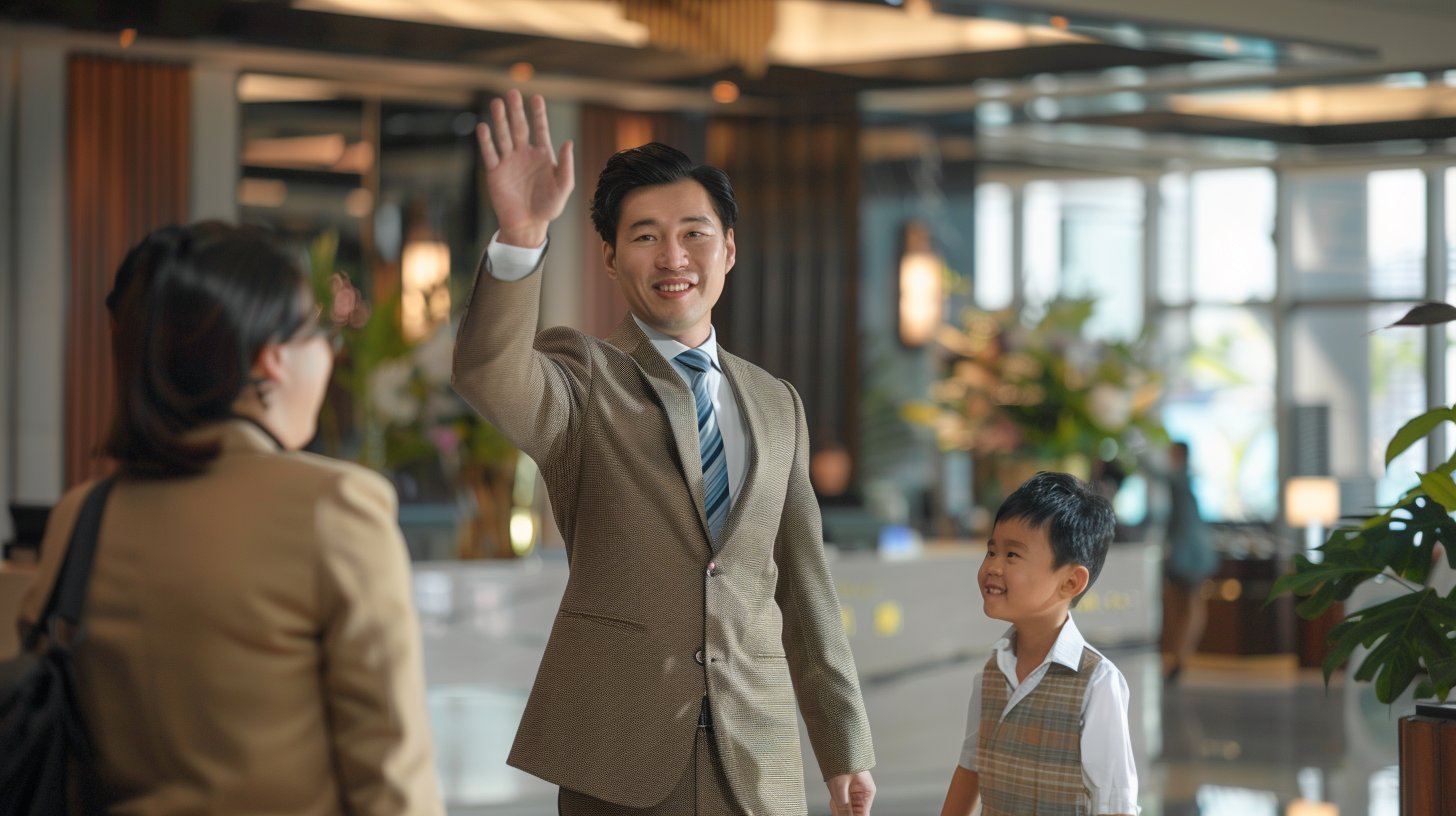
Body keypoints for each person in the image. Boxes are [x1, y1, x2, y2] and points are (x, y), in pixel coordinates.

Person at [453, 90, 876, 816]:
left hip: (758, 760)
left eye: (694, 233)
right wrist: (521, 238)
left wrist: (843, 746)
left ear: (730, 248)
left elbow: (805, 588)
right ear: (612, 258)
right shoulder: (582, 377)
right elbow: (490, 375)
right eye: (646, 237)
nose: (673, 256)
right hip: (621, 754)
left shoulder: (778, 402)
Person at [17, 223, 442, 815]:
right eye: (320, 334)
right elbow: (392, 779)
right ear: (271, 360)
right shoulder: (335, 508)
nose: (329, 354)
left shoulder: (80, 516)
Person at [938, 471, 1139, 816]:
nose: (993, 567)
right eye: (991, 551)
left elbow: (1114, 805)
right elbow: (971, 769)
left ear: (1071, 581)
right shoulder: (991, 673)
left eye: (1012, 555)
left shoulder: (1097, 682)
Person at [1161, 441, 1218, 684]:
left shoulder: (1179, 478)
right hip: (1189, 553)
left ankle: (1179, 658)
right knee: (1185, 604)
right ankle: (1177, 657)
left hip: (1188, 554)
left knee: (1188, 605)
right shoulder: (1187, 480)